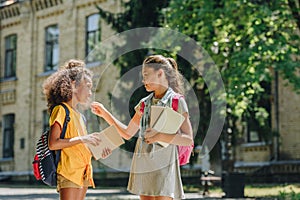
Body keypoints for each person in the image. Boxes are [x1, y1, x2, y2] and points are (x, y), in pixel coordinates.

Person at [91, 55, 194, 200]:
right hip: (143, 163)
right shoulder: (144, 103)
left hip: (164, 165)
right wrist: (105, 114)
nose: (143, 80)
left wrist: (158, 135)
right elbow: (128, 133)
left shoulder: (176, 101)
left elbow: (188, 139)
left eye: (146, 75)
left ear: (160, 74)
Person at [43, 59, 111, 200]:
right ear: (74, 85)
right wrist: (83, 138)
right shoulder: (61, 110)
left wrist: (98, 150)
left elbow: (78, 146)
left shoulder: (80, 116)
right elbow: (53, 143)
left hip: (83, 171)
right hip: (69, 170)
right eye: (88, 86)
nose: (90, 93)